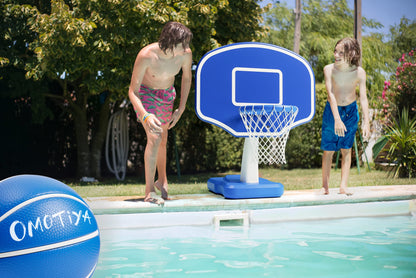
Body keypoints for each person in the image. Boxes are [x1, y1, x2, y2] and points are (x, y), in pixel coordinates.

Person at [128, 22, 193, 204]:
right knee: (155, 137)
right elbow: (133, 91)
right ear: (171, 42)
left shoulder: (184, 55)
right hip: (146, 95)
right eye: (184, 44)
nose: (187, 48)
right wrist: (145, 115)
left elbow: (187, 79)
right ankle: (149, 192)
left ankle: (162, 180)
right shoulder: (146, 56)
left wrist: (181, 108)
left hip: (166, 95)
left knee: (163, 138)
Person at [321, 37, 370, 195]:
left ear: (352, 53)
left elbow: (363, 98)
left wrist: (367, 122)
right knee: (328, 150)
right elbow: (330, 94)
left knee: (346, 149)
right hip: (332, 111)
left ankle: (343, 186)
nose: (336, 54)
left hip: (350, 112)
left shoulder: (359, 72)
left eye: (341, 52)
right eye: (335, 51)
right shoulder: (329, 69)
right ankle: (325, 187)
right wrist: (336, 118)